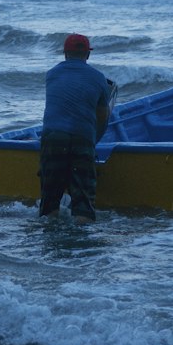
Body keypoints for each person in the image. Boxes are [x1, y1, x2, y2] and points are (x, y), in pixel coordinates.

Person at [38, 34, 114, 223]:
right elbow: (102, 117)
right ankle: (82, 240)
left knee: (50, 198)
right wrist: (93, 142)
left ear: (65, 53)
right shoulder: (99, 79)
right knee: (83, 200)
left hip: (53, 137)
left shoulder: (52, 74)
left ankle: (50, 231)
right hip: (82, 137)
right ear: (87, 55)